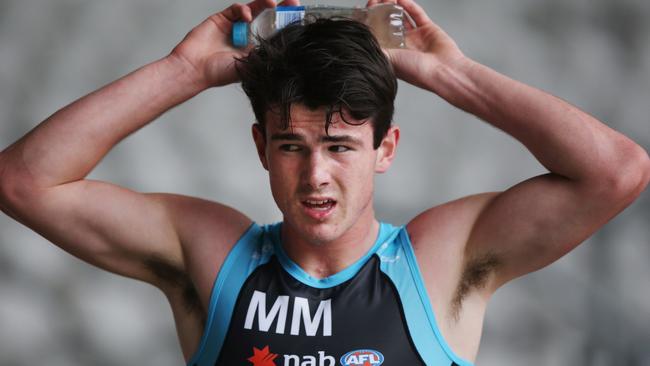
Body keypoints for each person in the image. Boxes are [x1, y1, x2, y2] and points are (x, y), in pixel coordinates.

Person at [0, 0, 648, 365]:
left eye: (340, 147)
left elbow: (617, 171)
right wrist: (183, 72)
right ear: (261, 147)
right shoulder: (211, 254)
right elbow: (26, 181)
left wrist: (451, 75)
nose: (316, 176)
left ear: (384, 148)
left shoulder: (441, 260)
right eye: (292, 146)